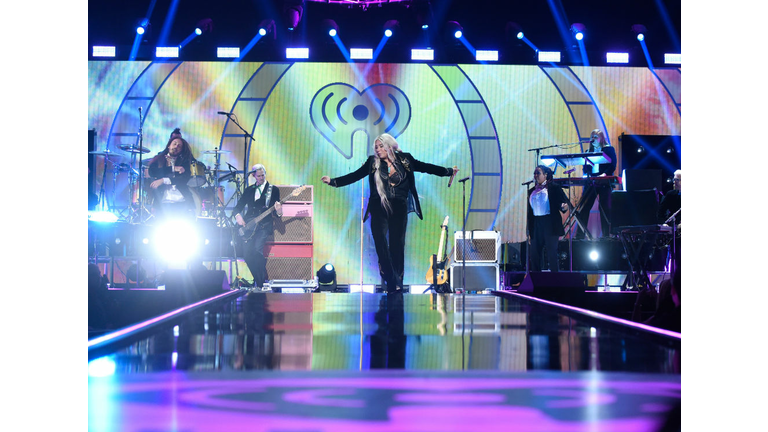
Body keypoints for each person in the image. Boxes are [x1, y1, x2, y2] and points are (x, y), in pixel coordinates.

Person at [321, 133, 459, 293]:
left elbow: (426, 167)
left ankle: (397, 280)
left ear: (389, 146)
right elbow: (355, 175)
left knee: (397, 245)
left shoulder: (405, 160)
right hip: (378, 206)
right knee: (380, 243)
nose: (378, 150)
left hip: (399, 206)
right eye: (376, 148)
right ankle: (390, 278)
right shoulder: (373, 163)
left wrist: (448, 171)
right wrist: (333, 182)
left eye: (381, 146)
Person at [232, 164, 282, 289]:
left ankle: (260, 284)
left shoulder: (273, 190)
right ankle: (258, 280)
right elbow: (238, 207)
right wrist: (238, 216)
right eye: (258, 176)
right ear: (254, 176)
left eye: (263, 175)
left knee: (257, 251)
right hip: (249, 226)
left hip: (264, 226)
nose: (261, 178)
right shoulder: (249, 190)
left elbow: (276, 213)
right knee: (247, 255)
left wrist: (279, 211)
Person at [575, 128, 617, 239]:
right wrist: (587, 175)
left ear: (601, 139)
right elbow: (585, 167)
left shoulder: (608, 149)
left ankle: (606, 236)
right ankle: (580, 235)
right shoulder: (588, 152)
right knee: (584, 208)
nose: (593, 139)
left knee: (604, 209)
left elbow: (612, 165)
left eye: (596, 137)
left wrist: (604, 174)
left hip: (604, 182)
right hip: (591, 182)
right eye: (592, 137)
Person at [527, 165, 570, 272]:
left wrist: (564, 206)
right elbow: (530, 213)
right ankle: (536, 280)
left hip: (549, 222)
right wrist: (529, 230)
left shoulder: (554, 188)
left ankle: (554, 279)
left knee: (551, 253)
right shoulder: (531, 191)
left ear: (546, 175)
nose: (536, 175)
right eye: (535, 173)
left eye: (538, 173)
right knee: (534, 254)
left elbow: (563, 202)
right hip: (536, 223)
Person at [147, 134, 196, 220]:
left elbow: (184, 179)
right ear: (169, 145)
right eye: (175, 143)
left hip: (181, 201)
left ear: (181, 150)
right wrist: (173, 168)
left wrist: (163, 180)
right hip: (162, 202)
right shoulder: (159, 159)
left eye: (179, 146)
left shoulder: (184, 162)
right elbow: (152, 172)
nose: (176, 146)